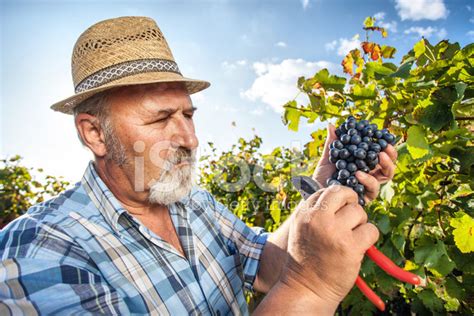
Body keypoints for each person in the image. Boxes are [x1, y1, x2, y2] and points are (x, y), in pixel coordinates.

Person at [0, 16, 397, 315]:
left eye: (188, 115)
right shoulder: (40, 253)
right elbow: (298, 275)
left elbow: (268, 262)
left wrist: (322, 188)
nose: (190, 139)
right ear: (94, 134)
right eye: (160, 119)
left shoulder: (194, 203)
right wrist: (311, 286)